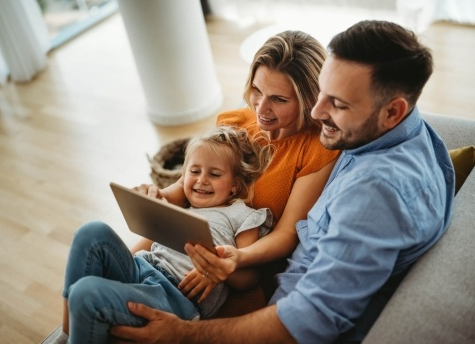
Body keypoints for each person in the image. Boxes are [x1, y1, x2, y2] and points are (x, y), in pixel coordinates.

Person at [109, 20, 455, 343]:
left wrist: (185, 333)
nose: (317, 114)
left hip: (265, 291)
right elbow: (186, 191)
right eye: (322, 93)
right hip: (210, 250)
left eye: (337, 103)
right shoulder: (390, 128)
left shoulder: (375, 194)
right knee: (101, 265)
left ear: (392, 111)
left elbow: (311, 316)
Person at [131, 30, 340, 300]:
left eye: (278, 99)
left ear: (309, 100)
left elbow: (287, 234)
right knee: (101, 268)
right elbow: (186, 186)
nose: (261, 108)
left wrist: (234, 259)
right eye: (257, 90)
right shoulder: (235, 123)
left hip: (244, 260)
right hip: (192, 233)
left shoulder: (316, 150)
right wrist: (157, 197)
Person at [50, 126, 274, 344]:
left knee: (85, 293)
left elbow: (250, 279)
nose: (202, 180)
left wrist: (219, 269)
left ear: (235, 186)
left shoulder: (242, 214)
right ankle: (68, 334)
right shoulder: (182, 206)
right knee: (91, 231)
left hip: (174, 295)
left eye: (214, 174)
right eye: (194, 172)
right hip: (141, 269)